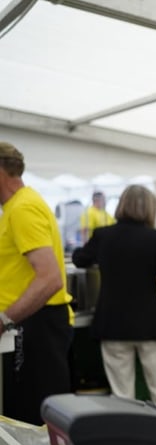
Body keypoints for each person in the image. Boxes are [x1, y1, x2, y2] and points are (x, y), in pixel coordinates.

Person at [71, 185, 156, 411]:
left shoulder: (103, 235)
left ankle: (130, 444)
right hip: (149, 325)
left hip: (112, 325)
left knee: (122, 397)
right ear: (151, 209)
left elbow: (79, 259)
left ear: (121, 205)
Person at [0, 141, 74, 425]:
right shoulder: (19, 206)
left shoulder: (23, 209)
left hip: (36, 327)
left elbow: (50, 278)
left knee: (35, 422)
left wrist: (5, 319)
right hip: (31, 326)